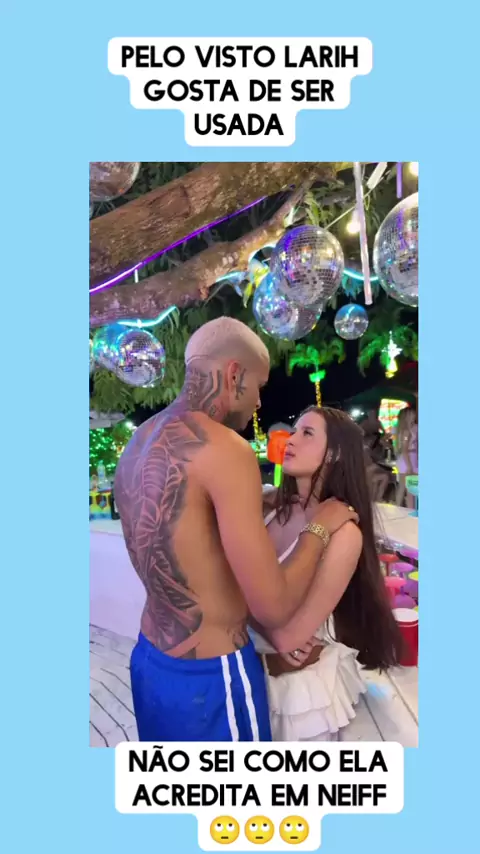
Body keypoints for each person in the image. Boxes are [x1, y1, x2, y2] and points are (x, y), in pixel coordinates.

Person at [114, 318, 358, 742]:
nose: (259, 401)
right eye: (258, 386)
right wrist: (319, 527)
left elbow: (184, 531)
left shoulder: (139, 443)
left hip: (151, 662)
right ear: (233, 375)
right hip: (212, 677)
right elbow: (273, 608)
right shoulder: (227, 449)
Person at [249, 406, 403, 741]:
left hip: (298, 697)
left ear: (335, 453)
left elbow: (290, 639)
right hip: (249, 673)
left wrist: (240, 614)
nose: (290, 440)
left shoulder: (344, 532)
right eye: (294, 431)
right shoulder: (269, 506)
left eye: (307, 433)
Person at [360, 408, 390, 501]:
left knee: (384, 475)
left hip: (374, 448)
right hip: (365, 472)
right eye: (371, 413)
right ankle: (373, 500)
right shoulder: (364, 424)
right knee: (379, 474)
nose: (373, 414)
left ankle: (378, 499)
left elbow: (384, 433)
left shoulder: (378, 423)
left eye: (374, 413)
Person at [396, 407, 418, 508]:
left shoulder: (409, 429)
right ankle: (408, 509)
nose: (414, 416)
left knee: (405, 488)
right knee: (408, 488)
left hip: (409, 459)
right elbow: (405, 449)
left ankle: (403, 508)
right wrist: (409, 466)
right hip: (407, 460)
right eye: (412, 414)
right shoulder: (406, 431)